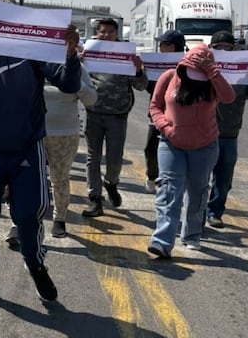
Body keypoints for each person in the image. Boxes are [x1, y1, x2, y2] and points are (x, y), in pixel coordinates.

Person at [0, 24, 81, 304]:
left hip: (26, 147)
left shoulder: (33, 52)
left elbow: (68, 83)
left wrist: (70, 54)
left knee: (27, 214)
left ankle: (35, 263)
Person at [148, 44, 235, 257]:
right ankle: (162, 241)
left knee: (197, 192)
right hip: (171, 144)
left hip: (204, 147)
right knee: (169, 190)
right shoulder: (169, 77)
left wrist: (211, 71)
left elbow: (229, 97)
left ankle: (192, 234)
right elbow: (155, 107)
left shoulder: (213, 82)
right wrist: (166, 128)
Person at [82, 18, 147, 217]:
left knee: (114, 159)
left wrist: (137, 69)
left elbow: (141, 85)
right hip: (93, 113)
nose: (107, 35)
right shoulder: (89, 52)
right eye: (103, 32)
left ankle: (111, 183)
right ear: (97, 33)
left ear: (117, 34)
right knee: (93, 158)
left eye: (111, 32)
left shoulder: (126, 55)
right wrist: (78, 61)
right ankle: (95, 198)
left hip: (117, 116)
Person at [206, 30, 248, 228]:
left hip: (229, 133)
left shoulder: (243, 68)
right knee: (198, 176)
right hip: (202, 131)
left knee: (223, 179)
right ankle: (194, 213)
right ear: (210, 48)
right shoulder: (201, 67)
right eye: (217, 47)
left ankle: (214, 212)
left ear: (234, 49)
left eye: (227, 48)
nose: (222, 50)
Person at [44, 63, 98, 237]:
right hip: (32, 133)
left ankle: (59, 219)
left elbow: (91, 99)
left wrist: (76, 84)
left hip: (64, 135)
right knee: (24, 178)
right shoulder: (34, 59)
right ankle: (19, 222)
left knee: (59, 178)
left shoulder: (76, 67)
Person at [144, 30, 186, 192]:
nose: (159, 48)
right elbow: (149, 89)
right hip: (157, 114)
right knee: (151, 148)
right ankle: (151, 176)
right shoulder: (157, 64)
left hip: (178, 116)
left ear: (171, 47)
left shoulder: (187, 64)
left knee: (174, 150)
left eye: (162, 44)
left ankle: (169, 180)